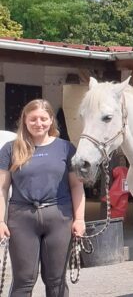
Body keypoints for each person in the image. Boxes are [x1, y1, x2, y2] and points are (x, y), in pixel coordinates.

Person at [0, 99, 86, 297]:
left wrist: (80, 219)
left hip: (59, 218)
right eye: (33, 119)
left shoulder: (66, 148)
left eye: (43, 119)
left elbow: (76, 185)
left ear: (51, 121)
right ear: (25, 120)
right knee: (23, 280)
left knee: (56, 280)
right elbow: (2, 188)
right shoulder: (10, 149)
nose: (38, 123)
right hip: (21, 219)